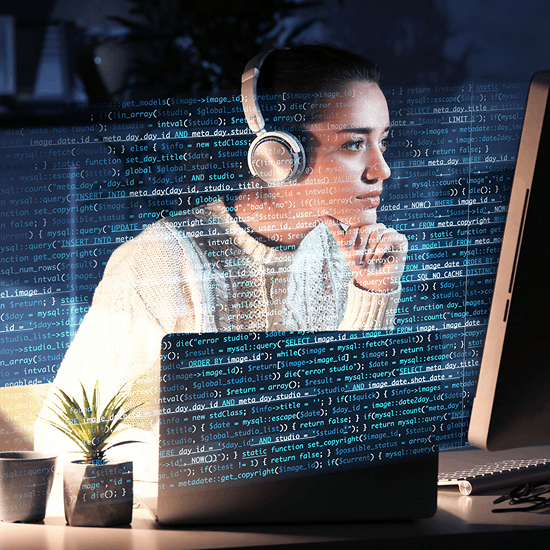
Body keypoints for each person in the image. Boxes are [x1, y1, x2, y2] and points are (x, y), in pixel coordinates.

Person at [34, 45, 408, 479]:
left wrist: (373, 294)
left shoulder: (350, 255)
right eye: (354, 144)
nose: (381, 170)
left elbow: (349, 426)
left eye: (382, 142)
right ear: (279, 153)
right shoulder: (163, 258)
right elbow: (59, 437)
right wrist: (210, 465)